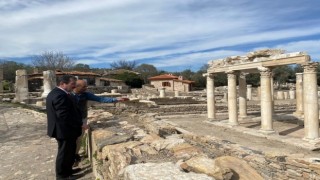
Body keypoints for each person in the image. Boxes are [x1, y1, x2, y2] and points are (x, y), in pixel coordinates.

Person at [72, 79, 129, 165]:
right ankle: (69, 157)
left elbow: (100, 99)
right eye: (84, 87)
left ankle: (75, 155)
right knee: (69, 140)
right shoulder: (68, 94)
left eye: (86, 86)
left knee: (79, 138)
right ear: (76, 86)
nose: (86, 88)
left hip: (82, 119)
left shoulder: (86, 94)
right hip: (70, 119)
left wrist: (116, 99)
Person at [46, 75, 83, 179]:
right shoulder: (59, 95)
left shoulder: (60, 93)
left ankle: (68, 171)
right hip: (64, 130)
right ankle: (62, 176)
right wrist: (80, 124)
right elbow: (64, 116)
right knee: (64, 153)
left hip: (66, 129)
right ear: (63, 84)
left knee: (69, 152)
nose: (74, 86)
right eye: (72, 84)